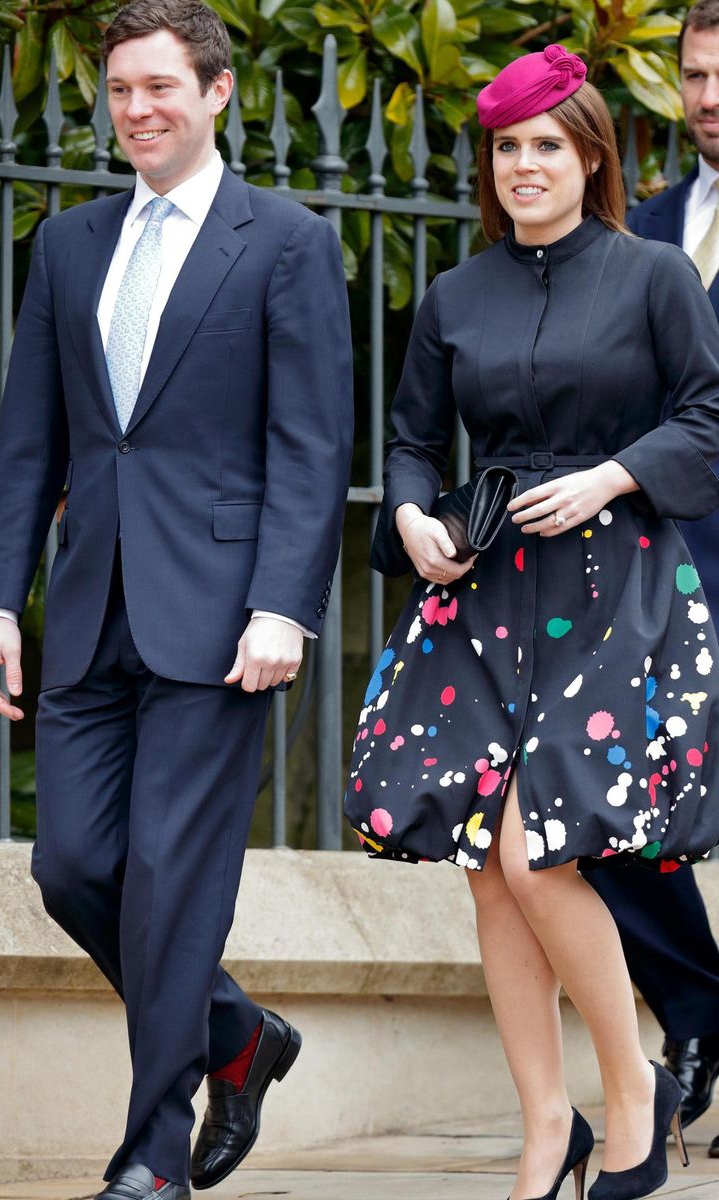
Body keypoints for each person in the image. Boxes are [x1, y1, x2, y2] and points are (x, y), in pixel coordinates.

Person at [345, 43, 719, 1200]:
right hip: (486, 591)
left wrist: (614, 477)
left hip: (620, 588)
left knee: (539, 847)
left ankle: (632, 1096)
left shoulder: (656, 275)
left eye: (546, 144)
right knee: (488, 867)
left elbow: (709, 414)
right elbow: (410, 438)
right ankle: (544, 1126)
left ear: (591, 154)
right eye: (506, 147)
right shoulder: (457, 296)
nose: (524, 165)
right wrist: (411, 513)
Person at [0, 2, 353, 1197]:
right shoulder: (67, 244)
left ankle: (151, 1156)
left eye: (160, 86)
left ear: (216, 94)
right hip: (91, 606)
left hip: (221, 620)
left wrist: (284, 606)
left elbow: (310, 445)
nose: (137, 109)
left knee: (167, 878)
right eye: (119, 90)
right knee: (71, 867)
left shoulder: (286, 242)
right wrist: (3, 602)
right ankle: (237, 1037)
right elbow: (26, 449)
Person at [585, 0, 719, 1158]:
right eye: (696, 72)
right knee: (606, 815)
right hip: (650, 580)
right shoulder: (650, 223)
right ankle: (699, 1008)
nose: (710, 94)